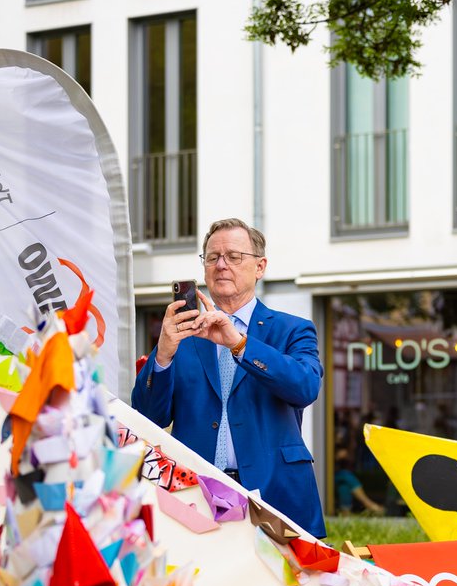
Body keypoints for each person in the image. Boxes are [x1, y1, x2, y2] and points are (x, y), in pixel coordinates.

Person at [131, 218, 325, 536]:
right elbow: (148, 417)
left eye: (234, 257)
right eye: (212, 257)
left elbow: (304, 387)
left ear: (259, 267)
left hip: (274, 494)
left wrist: (239, 344)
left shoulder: (292, 329)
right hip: (194, 496)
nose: (221, 265)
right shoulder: (181, 335)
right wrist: (163, 353)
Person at [334, 449, 384, 516]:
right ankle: (369, 504)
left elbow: (350, 458)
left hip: (338, 477)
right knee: (346, 476)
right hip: (326, 477)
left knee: (344, 486)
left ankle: (345, 513)